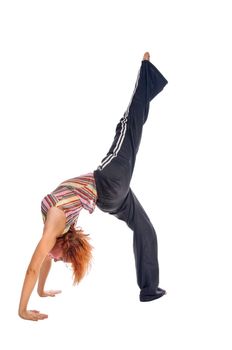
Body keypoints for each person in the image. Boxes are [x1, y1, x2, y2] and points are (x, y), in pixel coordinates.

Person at [18, 52, 168, 321]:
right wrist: (37, 293)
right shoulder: (56, 227)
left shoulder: (54, 225)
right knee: (128, 126)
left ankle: (149, 290)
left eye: (60, 259)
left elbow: (35, 266)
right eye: (64, 259)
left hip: (110, 192)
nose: (57, 260)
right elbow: (39, 262)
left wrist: (25, 308)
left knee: (144, 227)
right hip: (110, 186)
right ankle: (148, 75)